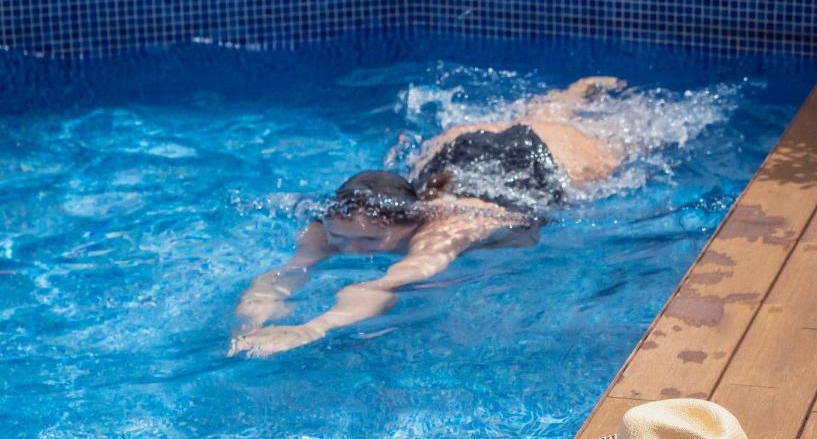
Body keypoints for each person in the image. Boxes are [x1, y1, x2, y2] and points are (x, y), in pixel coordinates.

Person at [229, 76, 625, 357]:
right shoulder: (329, 225)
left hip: (536, 169)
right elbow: (281, 277)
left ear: (412, 222)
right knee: (532, 116)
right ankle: (559, 101)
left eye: (369, 241)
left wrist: (312, 328)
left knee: (604, 142)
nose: (349, 249)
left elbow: (380, 287)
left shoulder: (444, 231)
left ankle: (574, 97)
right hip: (456, 154)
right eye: (341, 238)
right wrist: (250, 326)